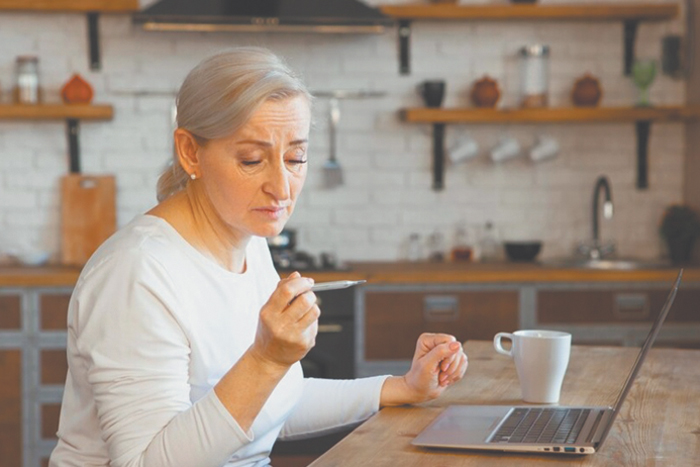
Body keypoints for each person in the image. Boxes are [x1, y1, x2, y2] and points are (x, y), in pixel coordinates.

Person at [49, 47, 468, 467]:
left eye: (295, 158)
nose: (282, 188)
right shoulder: (137, 273)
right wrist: (266, 360)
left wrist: (402, 387)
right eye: (252, 159)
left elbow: (268, 406)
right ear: (191, 152)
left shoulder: (248, 243)